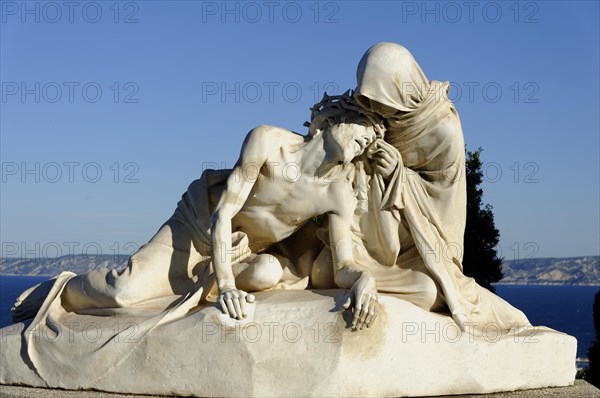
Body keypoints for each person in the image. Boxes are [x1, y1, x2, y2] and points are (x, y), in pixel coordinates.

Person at [12, 104, 385, 330]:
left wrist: (363, 278)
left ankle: (192, 290)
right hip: (198, 223)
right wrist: (226, 288)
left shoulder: (337, 193)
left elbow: (343, 265)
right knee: (122, 292)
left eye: (372, 139)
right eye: (363, 126)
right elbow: (223, 213)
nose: (367, 139)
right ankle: (59, 289)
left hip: (242, 250)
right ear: (333, 119)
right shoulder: (269, 141)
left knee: (269, 272)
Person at [309, 43, 529, 333]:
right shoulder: (368, 112)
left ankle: (355, 275)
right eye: (368, 98)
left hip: (418, 238)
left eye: (378, 99)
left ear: (399, 89)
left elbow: (444, 194)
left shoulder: (442, 127)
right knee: (323, 268)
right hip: (367, 225)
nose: (373, 107)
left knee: (430, 291)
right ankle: (351, 271)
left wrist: (398, 174)